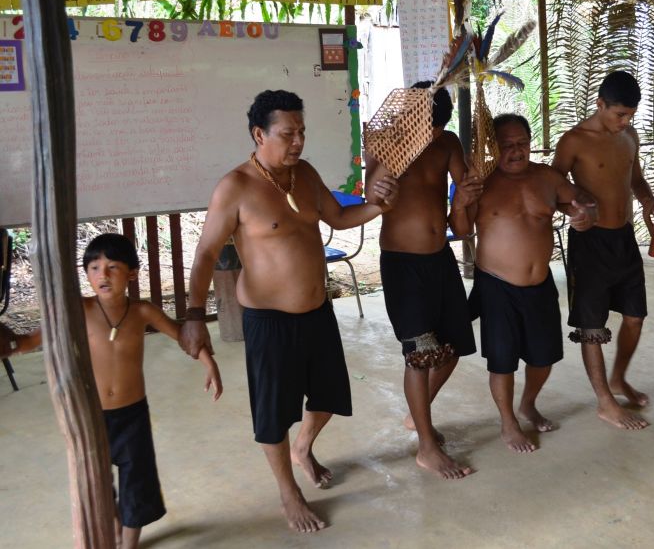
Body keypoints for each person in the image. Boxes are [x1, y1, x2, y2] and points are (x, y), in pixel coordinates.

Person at [179, 90, 398, 533]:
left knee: (330, 396)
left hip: (316, 311)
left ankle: (303, 448)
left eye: (301, 132)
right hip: (269, 320)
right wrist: (193, 315)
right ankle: (288, 491)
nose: (297, 142)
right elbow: (204, 255)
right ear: (259, 134)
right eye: (287, 134)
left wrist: (377, 206)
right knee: (273, 413)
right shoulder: (236, 187)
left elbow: (337, 217)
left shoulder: (306, 174)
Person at [451, 114, 596, 452]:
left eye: (522, 144)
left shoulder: (547, 178)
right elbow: (460, 229)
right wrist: (459, 202)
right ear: (493, 148)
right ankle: (508, 422)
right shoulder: (482, 182)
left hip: (540, 284)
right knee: (502, 361)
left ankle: (527, 404)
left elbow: (585, 202)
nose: (516, 152)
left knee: (543, 358)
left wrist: (586, 214)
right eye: (507, 146)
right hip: (497, 285)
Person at [72, 233, 221, 549]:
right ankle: (113, 529)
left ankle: (128, 544)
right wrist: (14, 344)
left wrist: (209, 361)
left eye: (113, 266)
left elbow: (182, 335)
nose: (103, 274)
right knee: (96, 483)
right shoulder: (79, 310)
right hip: (90, 416)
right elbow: (36, 339)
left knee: (136, 483)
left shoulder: (142, 311)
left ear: (132, 273)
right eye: (94, 267)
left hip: (132, 415)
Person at [364, 82, 478, 480]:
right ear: (410, 117)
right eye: (425, 127)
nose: (429, 137)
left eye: (436, 129)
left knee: (454, 348)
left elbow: (461, 225)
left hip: (440, 260)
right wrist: (392, 159)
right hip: (402, 264)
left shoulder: (447, 143)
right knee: (420, 354)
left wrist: (465, 198)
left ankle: (419, 416)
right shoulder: (385, 142)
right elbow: (372, 195)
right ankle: (426, 447)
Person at [551, 70, 654, 430]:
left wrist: (647, 201)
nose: (625, 122)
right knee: (591, 326)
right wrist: (571, 210)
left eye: (630, 115)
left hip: (623, 237)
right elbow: (554, 186)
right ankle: (604, 402)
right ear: (599, 105)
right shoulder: (574, 141)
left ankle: (618, 378)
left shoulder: (629, 135)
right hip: (589, 242)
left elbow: (636, 178)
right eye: (619, 115)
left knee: (635, 316)